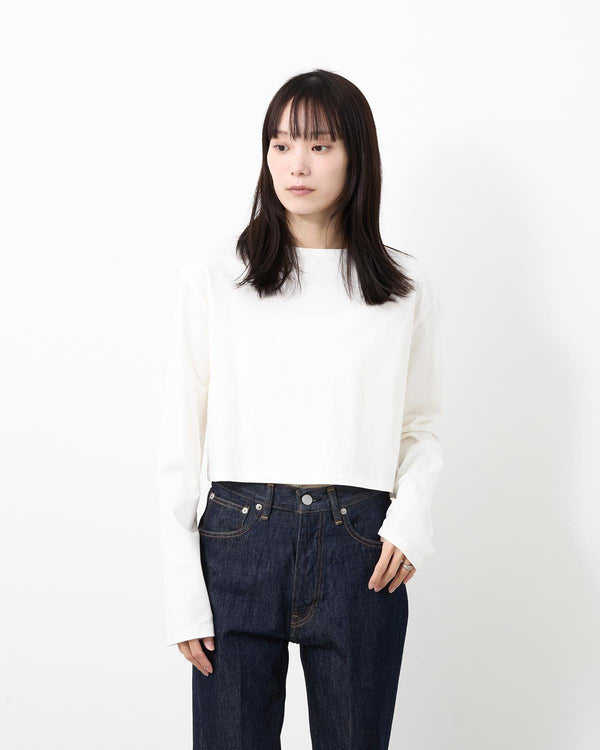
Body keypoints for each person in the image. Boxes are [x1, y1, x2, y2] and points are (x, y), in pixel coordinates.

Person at [156, 68, 444, 750]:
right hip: (236, 541)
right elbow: (179, 443)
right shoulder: (216, 277)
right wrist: (181, 591)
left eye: (319, 145)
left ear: (356, 156)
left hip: (360, 548)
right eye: (281, 145)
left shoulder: (403, 286)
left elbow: (421, 424)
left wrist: (411, 522)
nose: (297, 165)